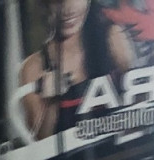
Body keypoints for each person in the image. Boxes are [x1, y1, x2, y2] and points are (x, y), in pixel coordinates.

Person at [15, 0, 137, 141]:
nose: (68, 10)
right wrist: (51, 103)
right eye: (58, 1)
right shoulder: (33, 68)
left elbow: (142, 113)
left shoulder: (112, 38)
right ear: (43, 5)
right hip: (72, 156)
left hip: (123, 152)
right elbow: (40, 144)